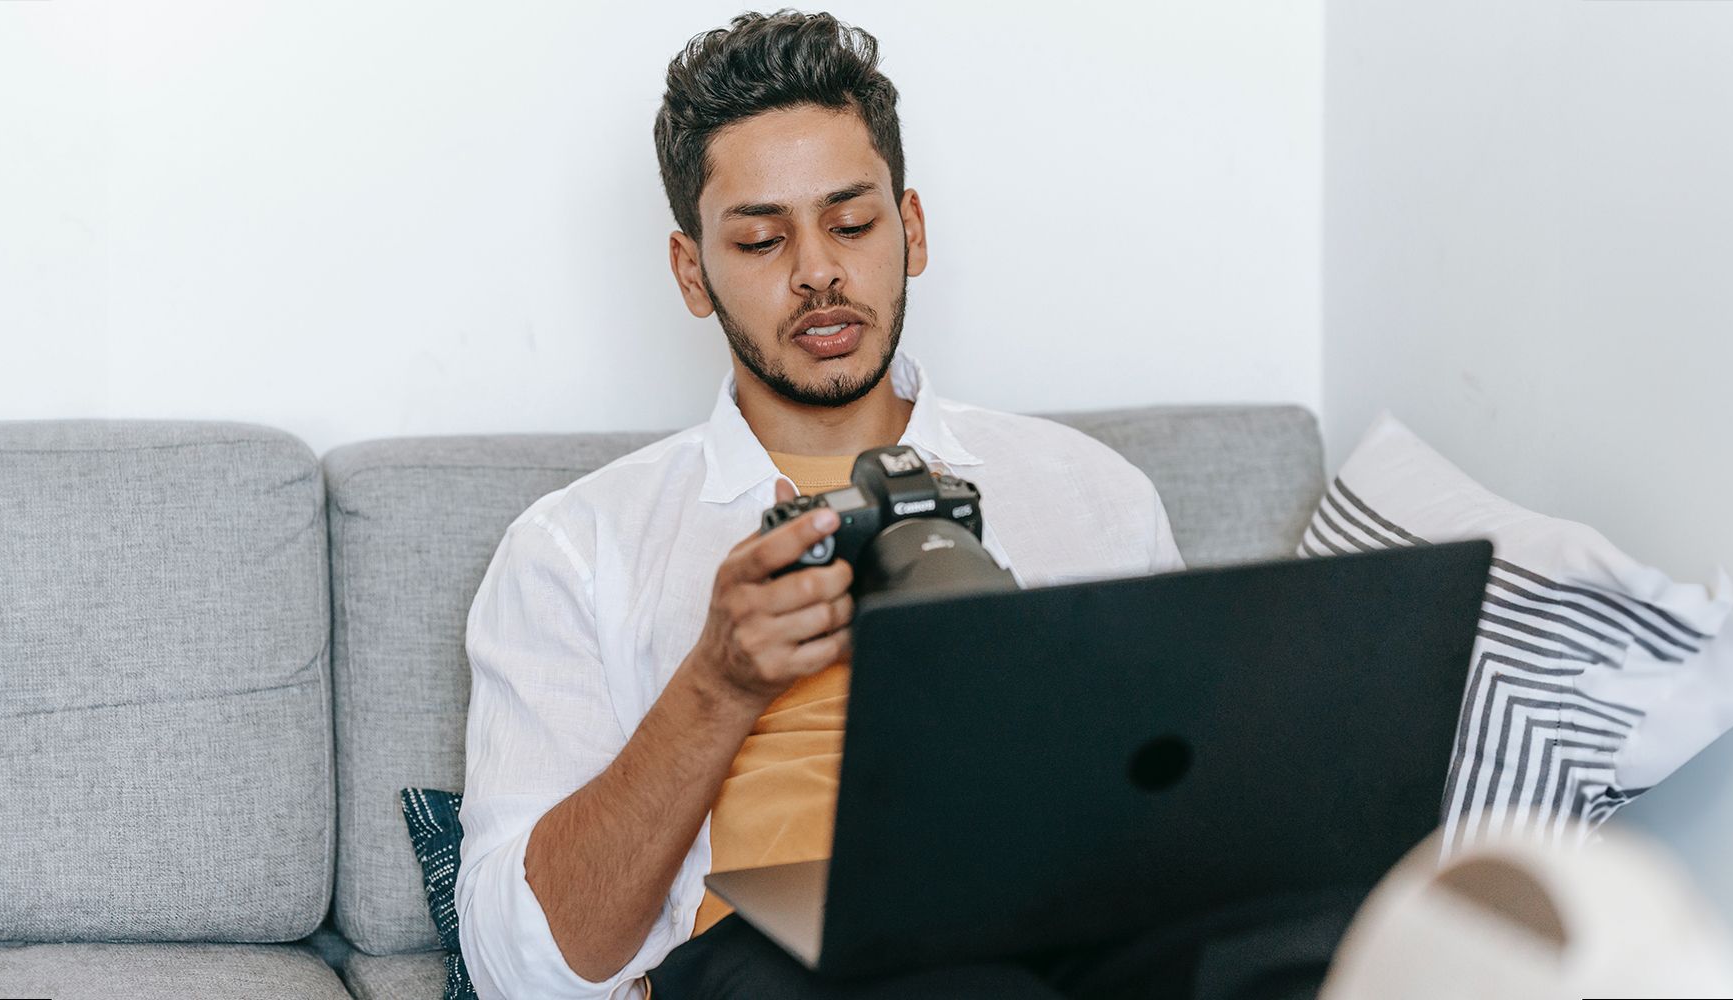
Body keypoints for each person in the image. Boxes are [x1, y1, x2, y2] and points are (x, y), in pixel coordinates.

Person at [453, 11, 1191, 999]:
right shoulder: (576, 549)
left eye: (850, 224)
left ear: (911, 229)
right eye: (760, 240)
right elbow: (521, 967)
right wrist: (715, 684)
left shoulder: (1091, 496)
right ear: (691, 272)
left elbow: (1191, 824)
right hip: (777, 969)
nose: (816, 271)